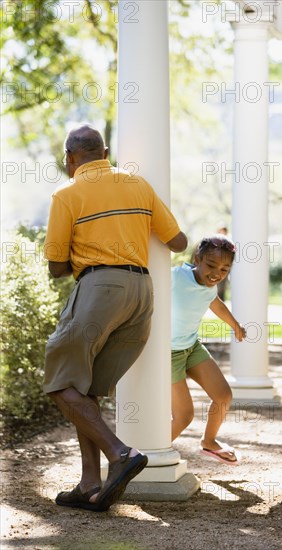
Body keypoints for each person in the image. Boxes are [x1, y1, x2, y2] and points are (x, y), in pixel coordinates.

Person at [43, 124, 187, 512]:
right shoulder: (137, 184)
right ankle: (89, 483)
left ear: (71, 159)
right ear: (104, 152)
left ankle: (120, 453)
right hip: (141, 293)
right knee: (84, 390)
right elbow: (178, 242)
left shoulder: (67, 193)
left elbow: (56, 267)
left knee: (58, 381)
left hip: (100, 289)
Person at [171, 234, 246, 464]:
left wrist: (235, 325)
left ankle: (209, 442)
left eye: (224, 269)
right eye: (211, 265)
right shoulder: (175, 276)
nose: (216, 273)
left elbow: (216, 305)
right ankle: (146, 456)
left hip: (191, 347)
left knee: (223, 396)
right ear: (197, 259)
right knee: (184, 415)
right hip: (166, 354)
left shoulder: (209, 287)